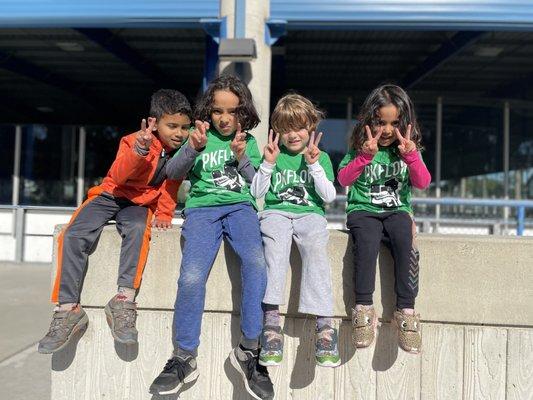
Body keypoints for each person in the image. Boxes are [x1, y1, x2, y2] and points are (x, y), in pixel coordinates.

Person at [38, 89, 192, 354]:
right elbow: (118, 174)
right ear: (154, 122)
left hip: (140, 205)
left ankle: (123, 300)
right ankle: (67, 308)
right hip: (111, 195)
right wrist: (140, 150)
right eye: (172, 126)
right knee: (73, 234)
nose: (179, 133)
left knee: (136, 229)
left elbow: (171, 185)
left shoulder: (179, 154)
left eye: (184, 127)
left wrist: (165, 214)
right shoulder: (133, 140)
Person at [149, 75, 274, 400]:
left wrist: (242, 156)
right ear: (209, 110)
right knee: (191, 277)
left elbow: (259, 184)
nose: (224, 118)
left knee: (256, 265)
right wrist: (192, 147)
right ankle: (184, 357)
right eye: (218, 110)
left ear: (243, 113)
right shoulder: (197, 135)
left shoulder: (248, 141)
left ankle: (249, 349)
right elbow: (173, 173)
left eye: (232, 112)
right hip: (202, 210)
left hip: (241, 209)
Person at [337, 84, 431, 354]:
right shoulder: (360, 148)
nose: (388, 130)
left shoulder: (407, 150)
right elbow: (343, 179)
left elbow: (423, 182)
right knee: (365, 243)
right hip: (363, 210)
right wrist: (365, 156)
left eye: (394, 123)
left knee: (406, 239)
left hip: (397, 210)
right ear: (369, 120)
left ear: (405, 122)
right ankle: (363, 307)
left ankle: (406, 310)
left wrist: (411, 156)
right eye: (381, 122)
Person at [250, 94, 340, 368]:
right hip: (276, 212)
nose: (293, 135)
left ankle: (324, 325)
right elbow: (257, 193)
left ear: (311, 127)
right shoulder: (274, 157)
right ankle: (272, 324)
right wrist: (267, 165)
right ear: (277, 130)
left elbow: (329, 197)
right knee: (275, 251)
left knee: (315, 250)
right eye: (286, 129)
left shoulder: (320, 157)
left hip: (309, 214)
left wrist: (313, 166)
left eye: (300, 128)